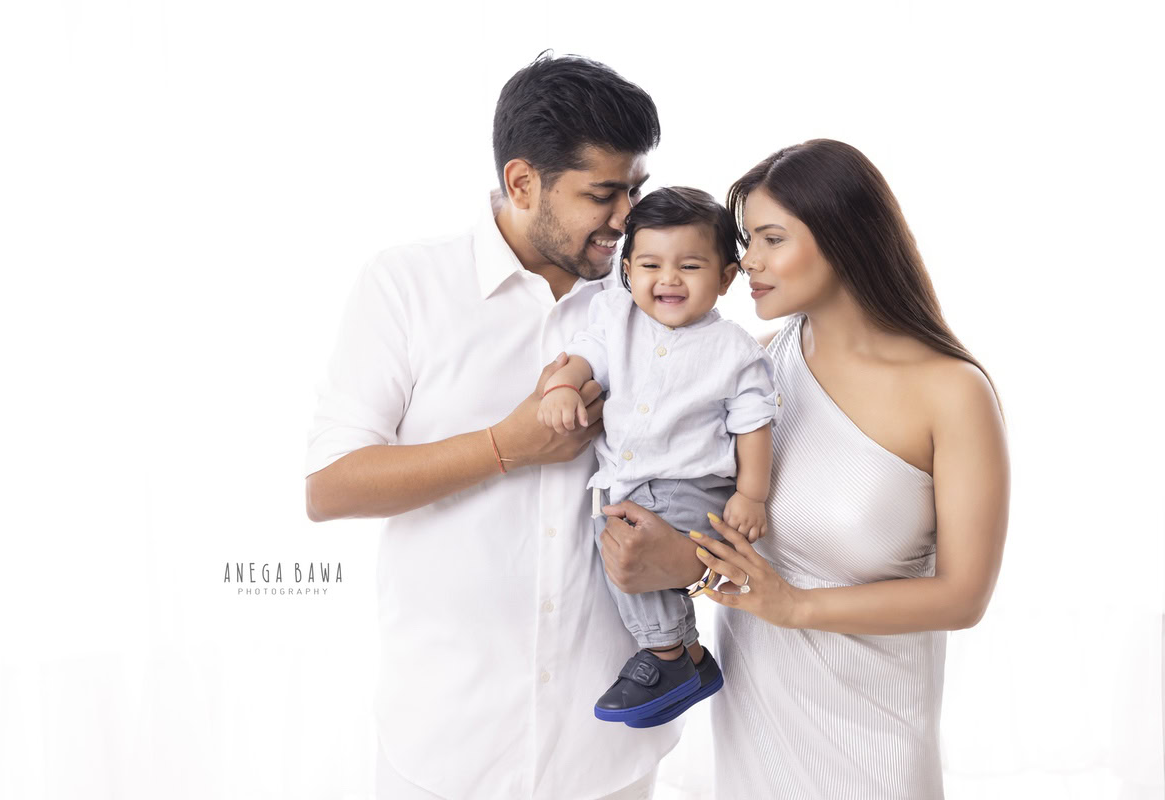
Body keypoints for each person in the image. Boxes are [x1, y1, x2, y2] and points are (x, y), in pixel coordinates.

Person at [304, 53, 674, 799]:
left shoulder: (656, 300)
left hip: (607, 753)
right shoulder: (406, 287)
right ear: (520, 182)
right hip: (445, 746)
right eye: (603, 194)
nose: (627, 218)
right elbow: (330, 488)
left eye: (637, 189)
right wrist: (506, 447)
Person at [598, 139, 1009, 798]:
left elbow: (964, 597)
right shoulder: (753, 368)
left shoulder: (952, 393)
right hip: (754, 722)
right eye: (744, 240)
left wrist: (794, 606)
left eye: (770, 238)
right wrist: (672, 558)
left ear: (844, 236)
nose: (746, 260)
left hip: (873, 736)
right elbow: (720, 526)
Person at [536, 186, 779, 726]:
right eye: (649, 264)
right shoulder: (616, 316)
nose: (668, 279)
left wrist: (751, 494)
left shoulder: (735, 350)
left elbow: (753, 424)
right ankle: (691, 658)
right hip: (626, 480)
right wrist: (564, 386)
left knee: (629, 555)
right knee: (621, 551)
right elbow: (585, 356)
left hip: (694, 485)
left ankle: (666, 654)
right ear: (627, 269)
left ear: (725, 277)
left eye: (689, 266)